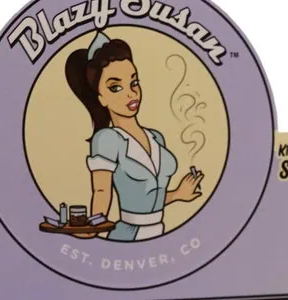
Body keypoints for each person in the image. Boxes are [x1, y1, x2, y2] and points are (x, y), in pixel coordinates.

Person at [64, 32, 203, 240]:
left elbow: (147, 198)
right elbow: (101, 192)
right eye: (116, 87)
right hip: (128, 235)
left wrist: (178, 194)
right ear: (101, 98)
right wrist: (92, 228)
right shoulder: (107, 139)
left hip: (158, 232)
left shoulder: (156, 137)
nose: (131, 93)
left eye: (134, 82)